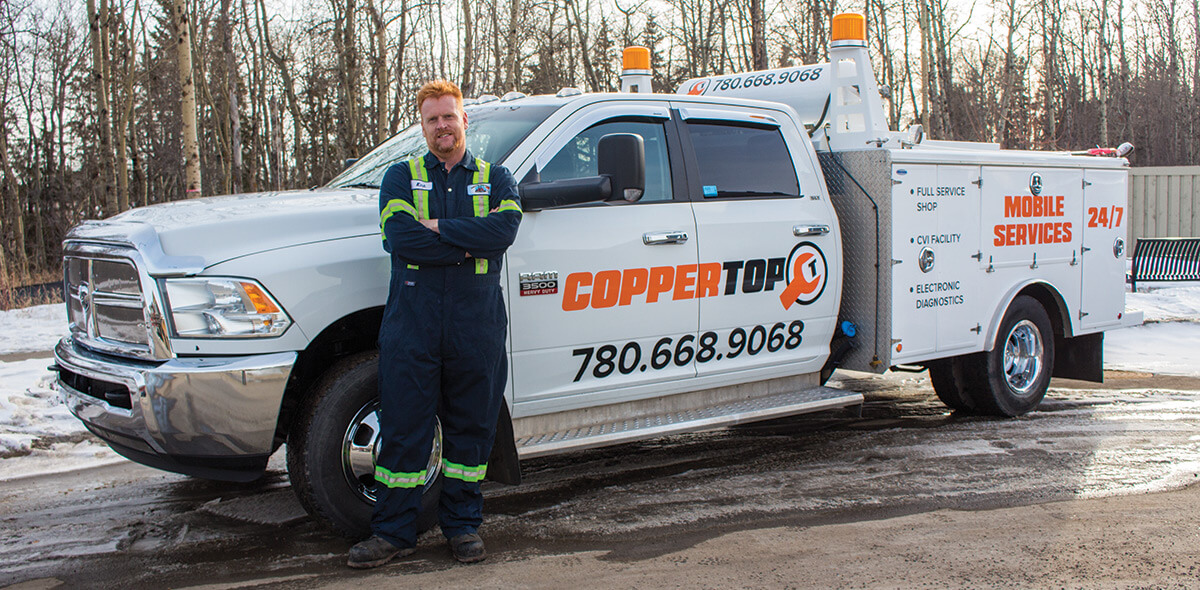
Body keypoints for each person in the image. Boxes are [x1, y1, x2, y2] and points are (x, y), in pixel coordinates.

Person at [349, 80, 522, 568]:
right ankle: (393, 533)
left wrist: (440, 230)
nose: (442, 126)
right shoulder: (399, 178)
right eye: (432, 119)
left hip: (477, 325)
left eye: (449, 116)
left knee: (472, 430)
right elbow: (401, 239)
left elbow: (503, 232)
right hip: (414, 323)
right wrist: (469, 244)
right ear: (422, 126)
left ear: (464, 120)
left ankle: (463, 528)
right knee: (405, 428)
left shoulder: (498, 179)